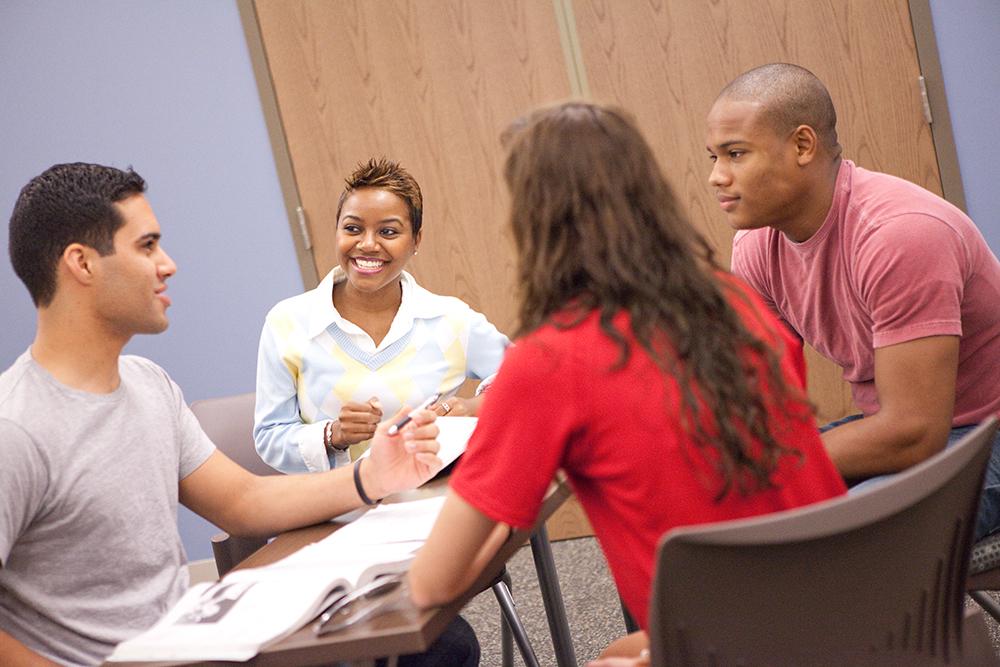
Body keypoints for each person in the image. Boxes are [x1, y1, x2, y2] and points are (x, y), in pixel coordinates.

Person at [406, 102, 848, 666]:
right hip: (841, 618)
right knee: (620, 649)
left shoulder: (549, 362)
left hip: (727, 644)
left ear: (534, 221)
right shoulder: (733, 300)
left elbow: (431, 586)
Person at [0, 163, 478, 667]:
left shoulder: (148, 385)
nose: (167, 265)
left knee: (443, 648)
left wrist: (373, 474)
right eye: (146, 246)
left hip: (189, 642)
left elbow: (242, 500)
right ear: (82, 264)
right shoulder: (16, 429)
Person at [706, 62, 1000, 539]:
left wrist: (770, 463)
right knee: (710, 506)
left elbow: (914, 433)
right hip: (897, 429)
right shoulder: (758, 245)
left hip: (984, 436)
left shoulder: (900, 234)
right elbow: (758, 397)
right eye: (714, 157)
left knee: (839, 536)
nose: (718, 177)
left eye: (736, 154)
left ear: (803, 146)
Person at [254, 158, 510, 474]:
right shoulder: (287, 323)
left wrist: (472, 408)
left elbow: (528, 379)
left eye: (388, 231)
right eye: (352, 228)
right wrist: (334, 435)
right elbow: (269, 437)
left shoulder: (451, 319)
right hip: (338, 509)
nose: (368, 244)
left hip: (435, 500)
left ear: (416, 240)